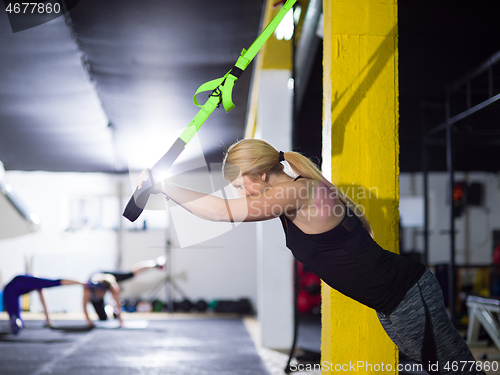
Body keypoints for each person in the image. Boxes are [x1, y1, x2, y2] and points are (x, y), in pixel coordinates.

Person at [137, 138, 485, 375]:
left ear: (259, 174)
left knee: (453, 366)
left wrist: (164, 185)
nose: (241, 193)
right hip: (392, 300)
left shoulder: (295, 191)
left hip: (407, 293)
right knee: (439, 365)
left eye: (242, 185)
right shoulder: (299, 189)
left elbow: (219, 212)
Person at [83, 257, 165, 327]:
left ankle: (155, 263)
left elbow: (117, 301)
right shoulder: (88, 290)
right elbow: (84, 306)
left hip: (105, 277)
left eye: (102, 293)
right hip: (97, 280)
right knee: (103, 318)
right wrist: (88, 320)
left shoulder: (112, 286)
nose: (100, 295)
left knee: (129, 274)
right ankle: (109, 308)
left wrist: (120, 320)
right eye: (99, 293)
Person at [2, 275, 83, 335]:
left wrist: (48, 319)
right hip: (9, 292)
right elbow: (58, 282)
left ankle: (16, 322)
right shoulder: (33, 281)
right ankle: (15, 323)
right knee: (14, 316)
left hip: (11, 291)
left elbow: (43, 296)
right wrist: (81, 283)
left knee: (15, 316)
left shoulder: (30, 282)